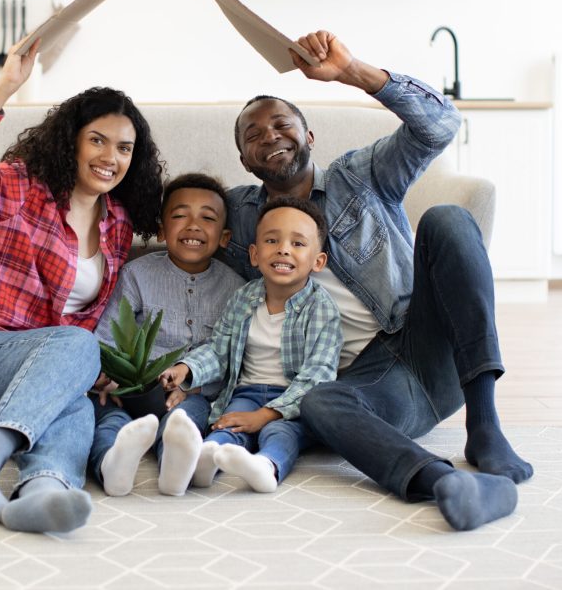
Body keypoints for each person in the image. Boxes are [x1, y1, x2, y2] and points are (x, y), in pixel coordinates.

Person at [221, 28, 531, 530]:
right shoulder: (237, 216)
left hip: (428, 344)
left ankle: (486, 424)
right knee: (318, 401)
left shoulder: (359, 175)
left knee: (448, 220)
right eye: (253, 135)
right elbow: (165, 218)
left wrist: (351, 72)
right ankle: (447, 483)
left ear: (309, 137)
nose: (269, 137)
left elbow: (440, 124)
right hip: (369, 390)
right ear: (243, 160)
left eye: (281, 125)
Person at [0, 36, 164, 534]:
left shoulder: (117, 225)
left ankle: (42, 489)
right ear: (71, 139)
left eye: (124, 147)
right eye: (97, 139)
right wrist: (5, 86)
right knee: (78, 346)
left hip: (24, 397)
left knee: (78, 393)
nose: (110, 156)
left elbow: (80, 328)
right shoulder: (18, 188)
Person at [160, 197, 342, 494]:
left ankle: (266, 466)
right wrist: (186, 368)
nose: (283, 248)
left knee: (279, 432)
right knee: (226, 424)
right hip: (245, 391)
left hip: (293, 401)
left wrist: (267, 414)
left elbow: (318, 376)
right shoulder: (244, 298)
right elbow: (219, 350)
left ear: (318, 261)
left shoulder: (321, 308)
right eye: (272, 240)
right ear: (255, 255)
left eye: (297, 244)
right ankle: (207, 458)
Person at [89, 173, 245, 497]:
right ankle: (111, 464)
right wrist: (112, 378)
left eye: (207, 217)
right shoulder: (138, 274)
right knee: (106, 417)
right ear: (161, 230)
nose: (193, 225)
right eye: (179, 215)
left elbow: (231, 356)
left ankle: (172, 465)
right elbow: (105, 334)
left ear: (225, 236)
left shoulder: (236, 289)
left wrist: (193, 386)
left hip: (191, 393)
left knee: (188, 418)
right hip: (129, 389)